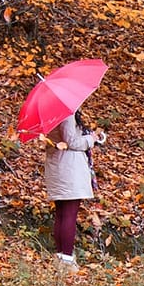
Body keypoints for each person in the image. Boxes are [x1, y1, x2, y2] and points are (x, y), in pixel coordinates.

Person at [45, 110, 102, 273]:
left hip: (57, 165)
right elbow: (71, 141)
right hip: (69, 168)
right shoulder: (66, 113)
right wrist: (91, 139)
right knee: (69, 214)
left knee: (61, 214)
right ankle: (67, 261)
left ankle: (61, 257)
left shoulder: (51, 113)